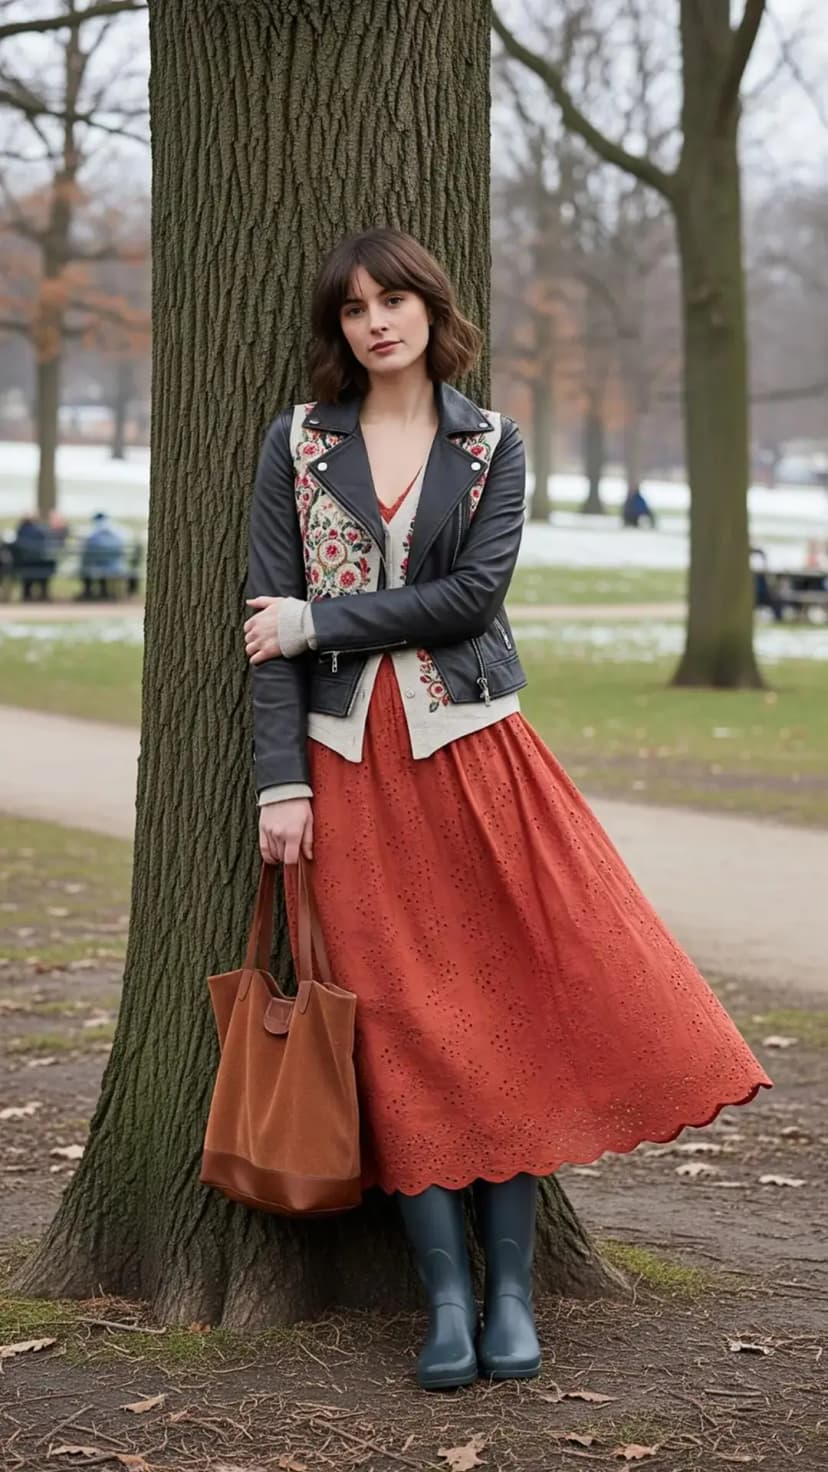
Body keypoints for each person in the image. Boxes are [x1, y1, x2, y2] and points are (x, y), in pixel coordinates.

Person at [242, 227, 772, 1393]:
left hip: (475, 756)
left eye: (395, 301)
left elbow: (472, 598)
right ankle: (444, 1298)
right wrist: (282, 783)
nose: (377, 322)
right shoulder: (297, 440)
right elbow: (262, 628)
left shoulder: (491, 443)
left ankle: (515, 1291)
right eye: (355, 309)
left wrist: (321, 621)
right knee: (396, 1024)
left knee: (508, 1009)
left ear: (433, 310)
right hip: (347, 774)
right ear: (339, 329)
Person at [77, 511, 127, 600]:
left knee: (87, 566)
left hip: (98, 565)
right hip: (114, 565)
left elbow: (86, 550)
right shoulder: (117, 531)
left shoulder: (92, 532)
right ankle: (103, 591)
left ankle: (88, 591)